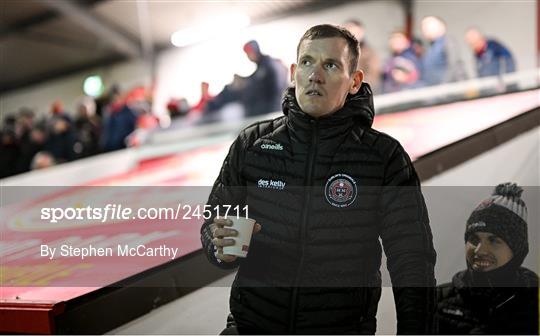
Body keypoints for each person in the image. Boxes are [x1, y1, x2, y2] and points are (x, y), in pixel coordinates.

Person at [200, 24, 436, 334]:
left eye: (331, 65)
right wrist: (220, 246)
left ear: (354, 81)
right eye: (308, 62)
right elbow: (214, 226)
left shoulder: (383, 157)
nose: (315, 75)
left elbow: (412, 261)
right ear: (294, 72)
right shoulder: (251, 143)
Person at [435, 183, 538, 335]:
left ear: (517, 250)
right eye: (474, 239)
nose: (480, 250)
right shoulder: (436, 301)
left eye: (494, 240)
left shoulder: (533, 304)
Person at [240, 40, 288, 117]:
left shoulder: (267, 65)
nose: (248, 56)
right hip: (271, 107)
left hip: (271, 109)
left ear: (255, 51)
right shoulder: (263, 65)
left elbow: (274, 88)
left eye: (249, 53)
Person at [420, 16, 466, 86]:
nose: (424, 29)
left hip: (449, 90)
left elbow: (454, 65)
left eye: (428, 25)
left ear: (442, 27)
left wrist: (443, 86)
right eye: (423, 26)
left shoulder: (448, 42)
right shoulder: (429, 48)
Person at [344, 19, 382, 93]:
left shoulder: (369, 54)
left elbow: (373, 78)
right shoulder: (340, 52)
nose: (353, 34)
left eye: (355, 32)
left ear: (362, 32)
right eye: (349, 32)